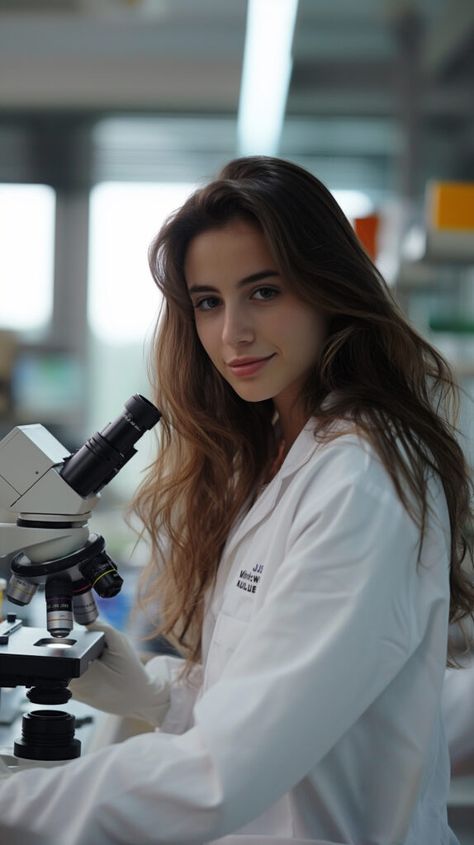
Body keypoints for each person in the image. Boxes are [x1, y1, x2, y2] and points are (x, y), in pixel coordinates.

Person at [0, 155, 473, 845]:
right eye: (209, 302)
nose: (232, 335)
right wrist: (158, 694)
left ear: (327, 288)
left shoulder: (358, 480)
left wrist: (16, 807)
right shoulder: (285, 453)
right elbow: (272, 701)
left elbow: (223, 772)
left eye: (264, 291)